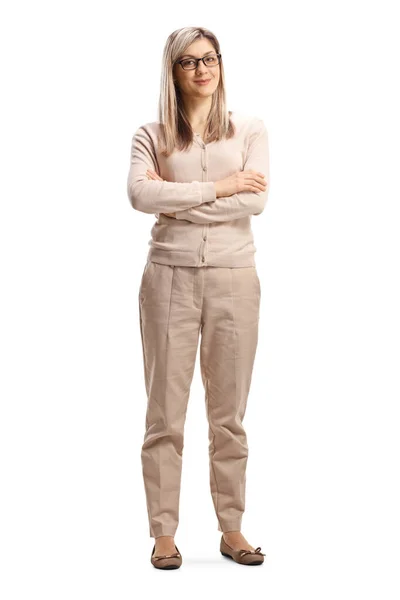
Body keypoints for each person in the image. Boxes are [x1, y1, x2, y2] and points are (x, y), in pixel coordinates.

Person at [127, 26, 270, 569]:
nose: (201, 70)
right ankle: (163, 533)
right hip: (168, 279)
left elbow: (255, 205)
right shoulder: (152, 133)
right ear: (174, 70)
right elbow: (140, 194)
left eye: (209, 59)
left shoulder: (249, 130)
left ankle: (232, 528)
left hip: (236, 278)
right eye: (188, 62)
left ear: (220, 64)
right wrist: (221, 188)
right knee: (165, 414)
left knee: (228, 414)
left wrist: (177, 202)